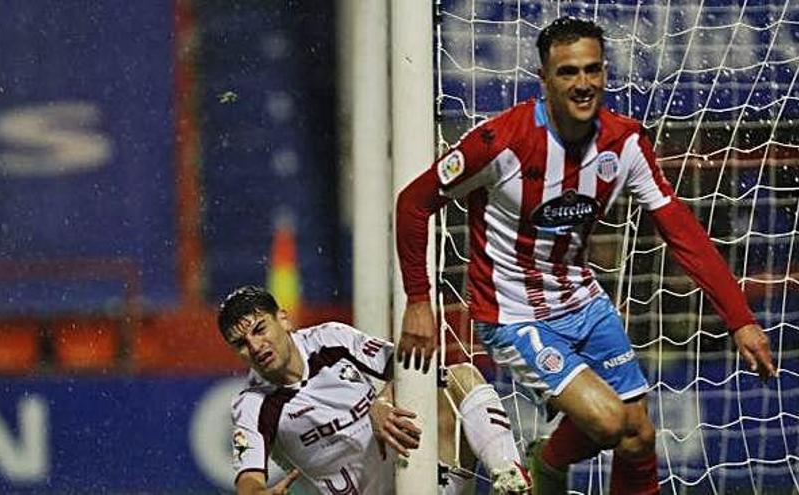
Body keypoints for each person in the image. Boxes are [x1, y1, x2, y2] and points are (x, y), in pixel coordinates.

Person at [394, 16, 776, 495]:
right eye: (568, 72)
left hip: (583, 302)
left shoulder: (625, 143)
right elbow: (413, 203)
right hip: (513, 314)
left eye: (593, 70)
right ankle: (549, 460)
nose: (583, 84)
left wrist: (739, 318)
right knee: (611, 420)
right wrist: (417, 299)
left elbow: (683, 232)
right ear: (545, 80)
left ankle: (548, 462)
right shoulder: (501, 143)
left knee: (639, 437)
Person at [220, 285, 531, 494]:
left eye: (260, 329)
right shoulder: (253, 404)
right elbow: (248, 479)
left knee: (460, 376)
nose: (256, 346)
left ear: (283, 319)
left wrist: (382, 400)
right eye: (241, 344)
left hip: (419, 477)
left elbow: (409, 364)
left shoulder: (331, 339)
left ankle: (510, 479)